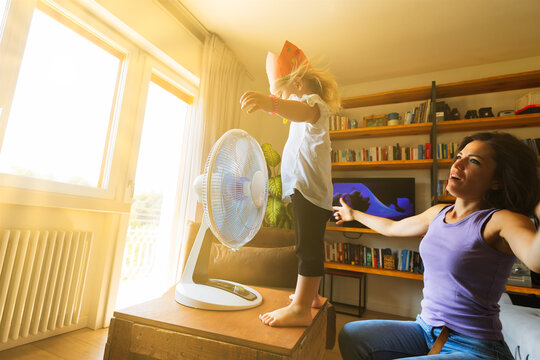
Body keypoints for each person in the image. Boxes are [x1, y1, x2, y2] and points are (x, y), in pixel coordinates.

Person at [334, 131, 540, 359]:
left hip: (474, 345)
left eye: (473, 161)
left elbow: (535, 259)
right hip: (426, 329)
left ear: (496, 181)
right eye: (460, 155)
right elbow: (392, 228)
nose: (457, 163)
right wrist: (353, 214)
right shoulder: (438, 212)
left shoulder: (501, 220)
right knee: (352, 334)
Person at [240, 40, 340, 327]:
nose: (281, 100)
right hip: (305, 189)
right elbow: (293, 113)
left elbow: (300, 112)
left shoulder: (314, 106)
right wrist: (275, 104)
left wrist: (270, 103)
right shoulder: (302, 110)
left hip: (309, 189)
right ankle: (312, 297)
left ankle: (300, 309)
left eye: (282, 92)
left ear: (297, 85)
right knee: (309, 244)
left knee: (307, 249)